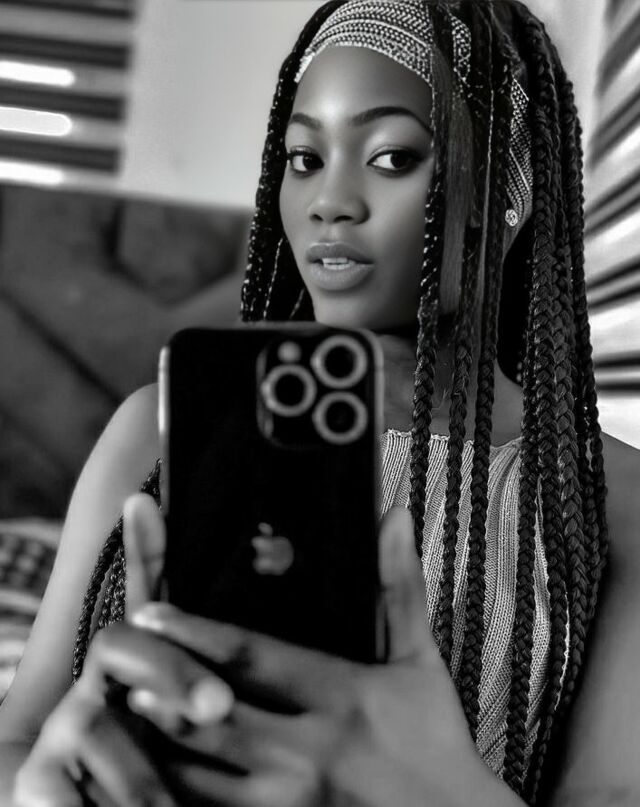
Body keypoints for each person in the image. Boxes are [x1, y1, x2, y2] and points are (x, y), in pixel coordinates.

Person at [2, 1, 640, 805]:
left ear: (506, 196)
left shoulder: (612, 498)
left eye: (392, 155)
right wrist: (49, 784)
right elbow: (16, 740)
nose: (329, 200)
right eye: (304, 158)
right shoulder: (156, 432)